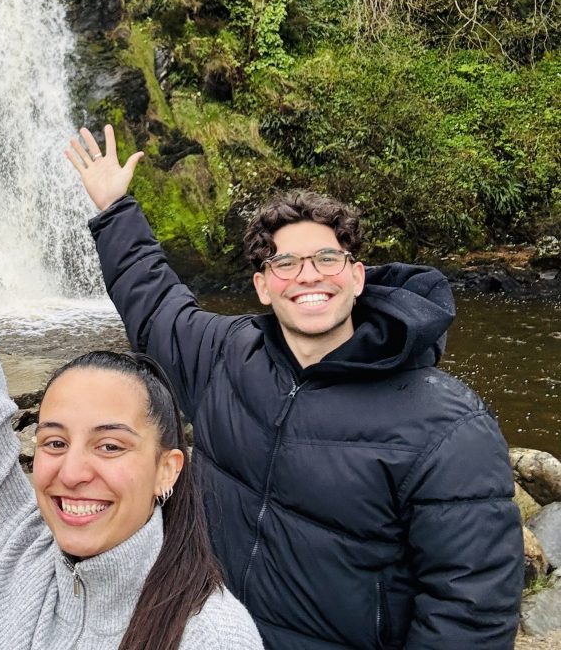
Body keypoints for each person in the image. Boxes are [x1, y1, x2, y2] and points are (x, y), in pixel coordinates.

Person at [65, 125, 524, 650]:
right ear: (263, 285)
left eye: (326, 259)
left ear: (357, 276)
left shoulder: (448, 424)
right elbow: (153, 303)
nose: (308, 276)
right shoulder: (224, 354)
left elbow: (469, 610)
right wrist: (115, 208)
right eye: (285, 263)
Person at [0, 79, 263, 650]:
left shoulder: (211, 634)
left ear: (168, 470)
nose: (72, 472)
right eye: (53, 441)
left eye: (110, 445)